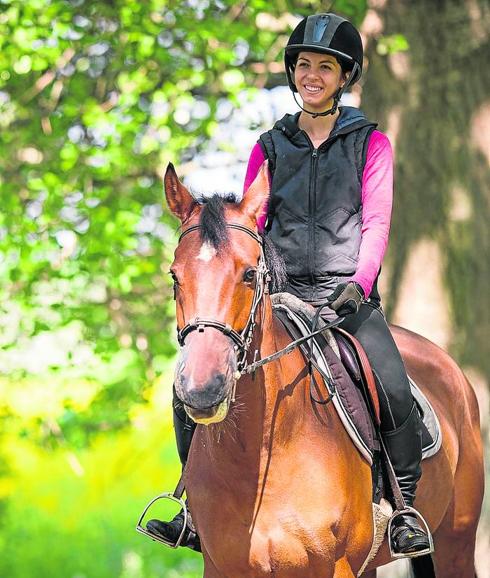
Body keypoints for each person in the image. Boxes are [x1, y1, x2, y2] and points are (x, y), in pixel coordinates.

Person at [147, 12, 432, 557]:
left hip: (346, 297)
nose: (312, 75)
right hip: (278, 295)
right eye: (304, 65)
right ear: (293, 72)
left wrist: (360, 282)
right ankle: (191, 507)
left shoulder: (370, 144)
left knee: (391, 381)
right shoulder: (269, 146)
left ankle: (402, 508)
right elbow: (251, 221)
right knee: (191, 382)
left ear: (343, 77)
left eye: (325, 67)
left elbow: (376, 222)